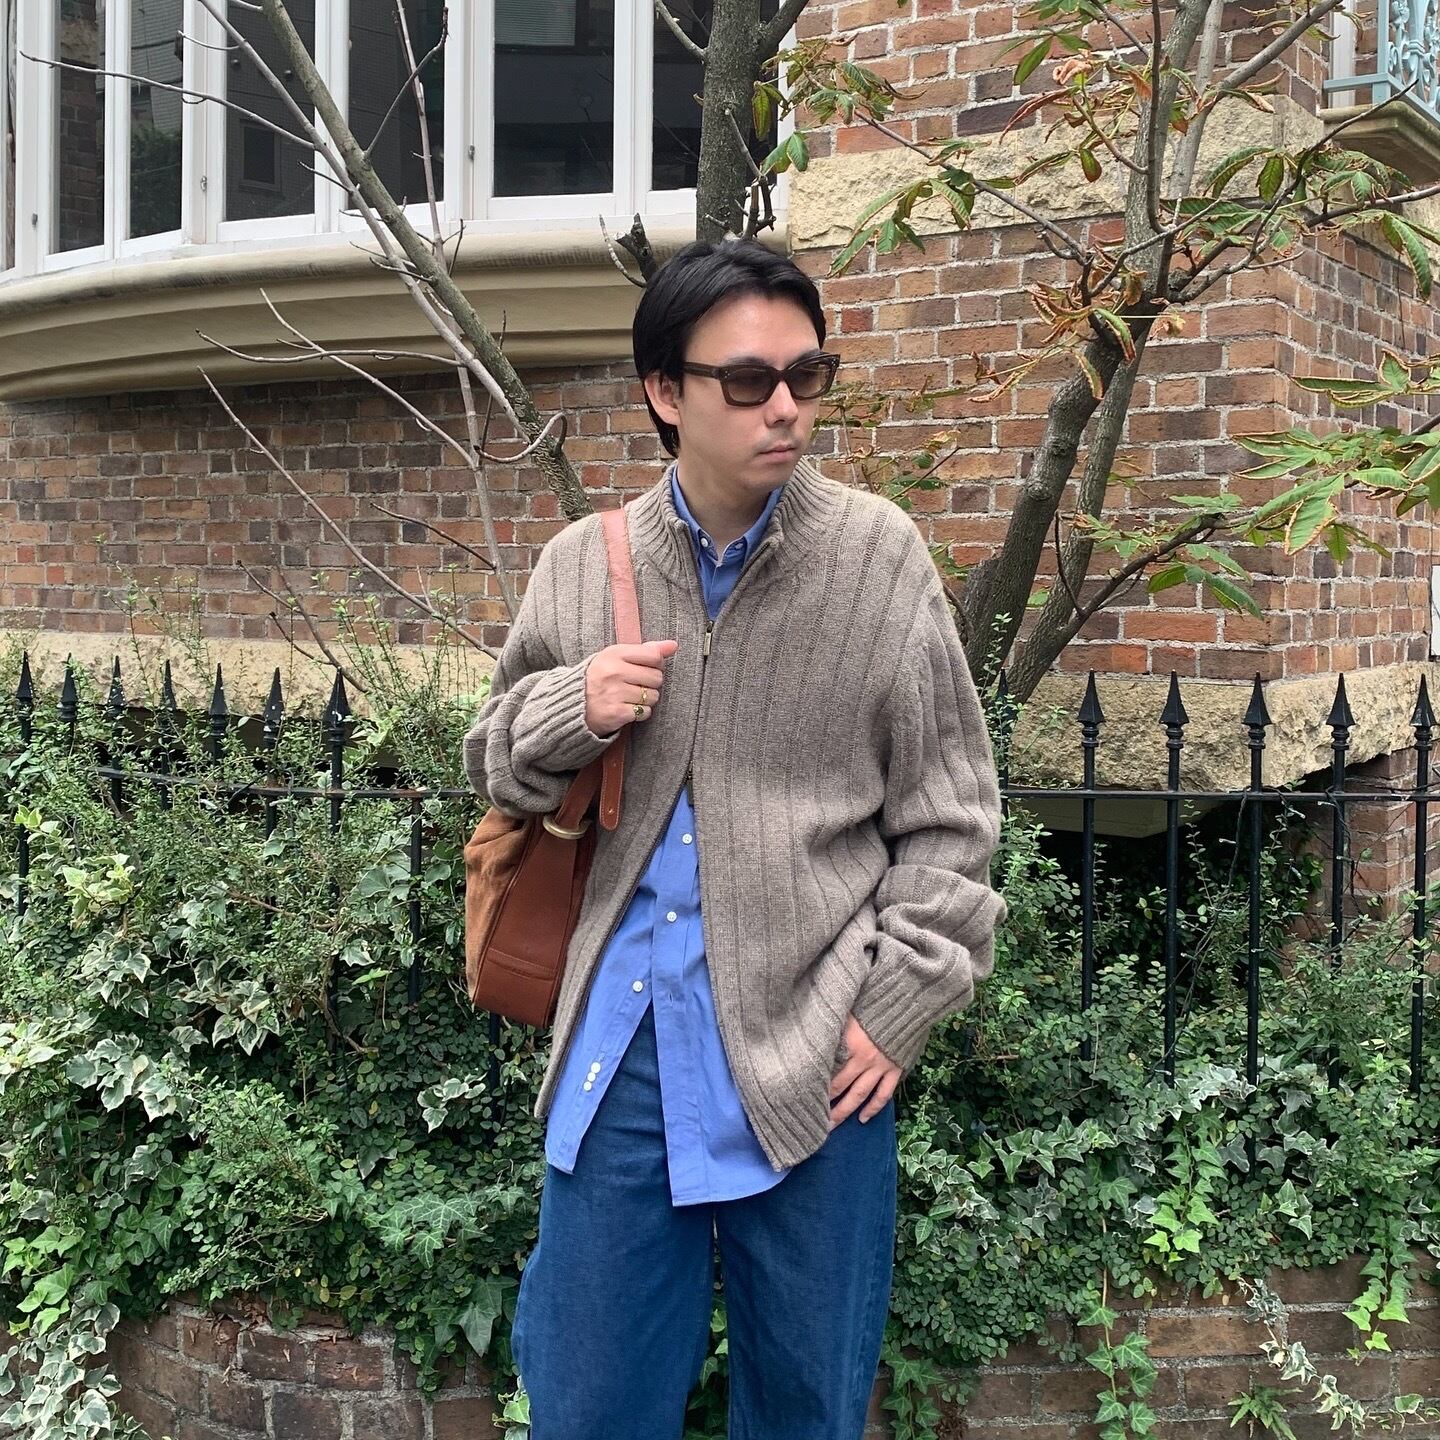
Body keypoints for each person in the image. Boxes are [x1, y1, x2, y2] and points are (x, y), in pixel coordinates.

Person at [463, 238, 1006, 1440]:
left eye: (807, 378)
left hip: (817, 1052)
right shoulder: (581, 568)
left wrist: (898, 1005)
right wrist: (572, 706)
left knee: (808, 1410)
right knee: (589, 1410)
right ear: (666, 392)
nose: (786, 409)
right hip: (622, 1057)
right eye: (749, 381)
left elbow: (954, 815)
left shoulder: (877, 561)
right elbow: (493, 761)